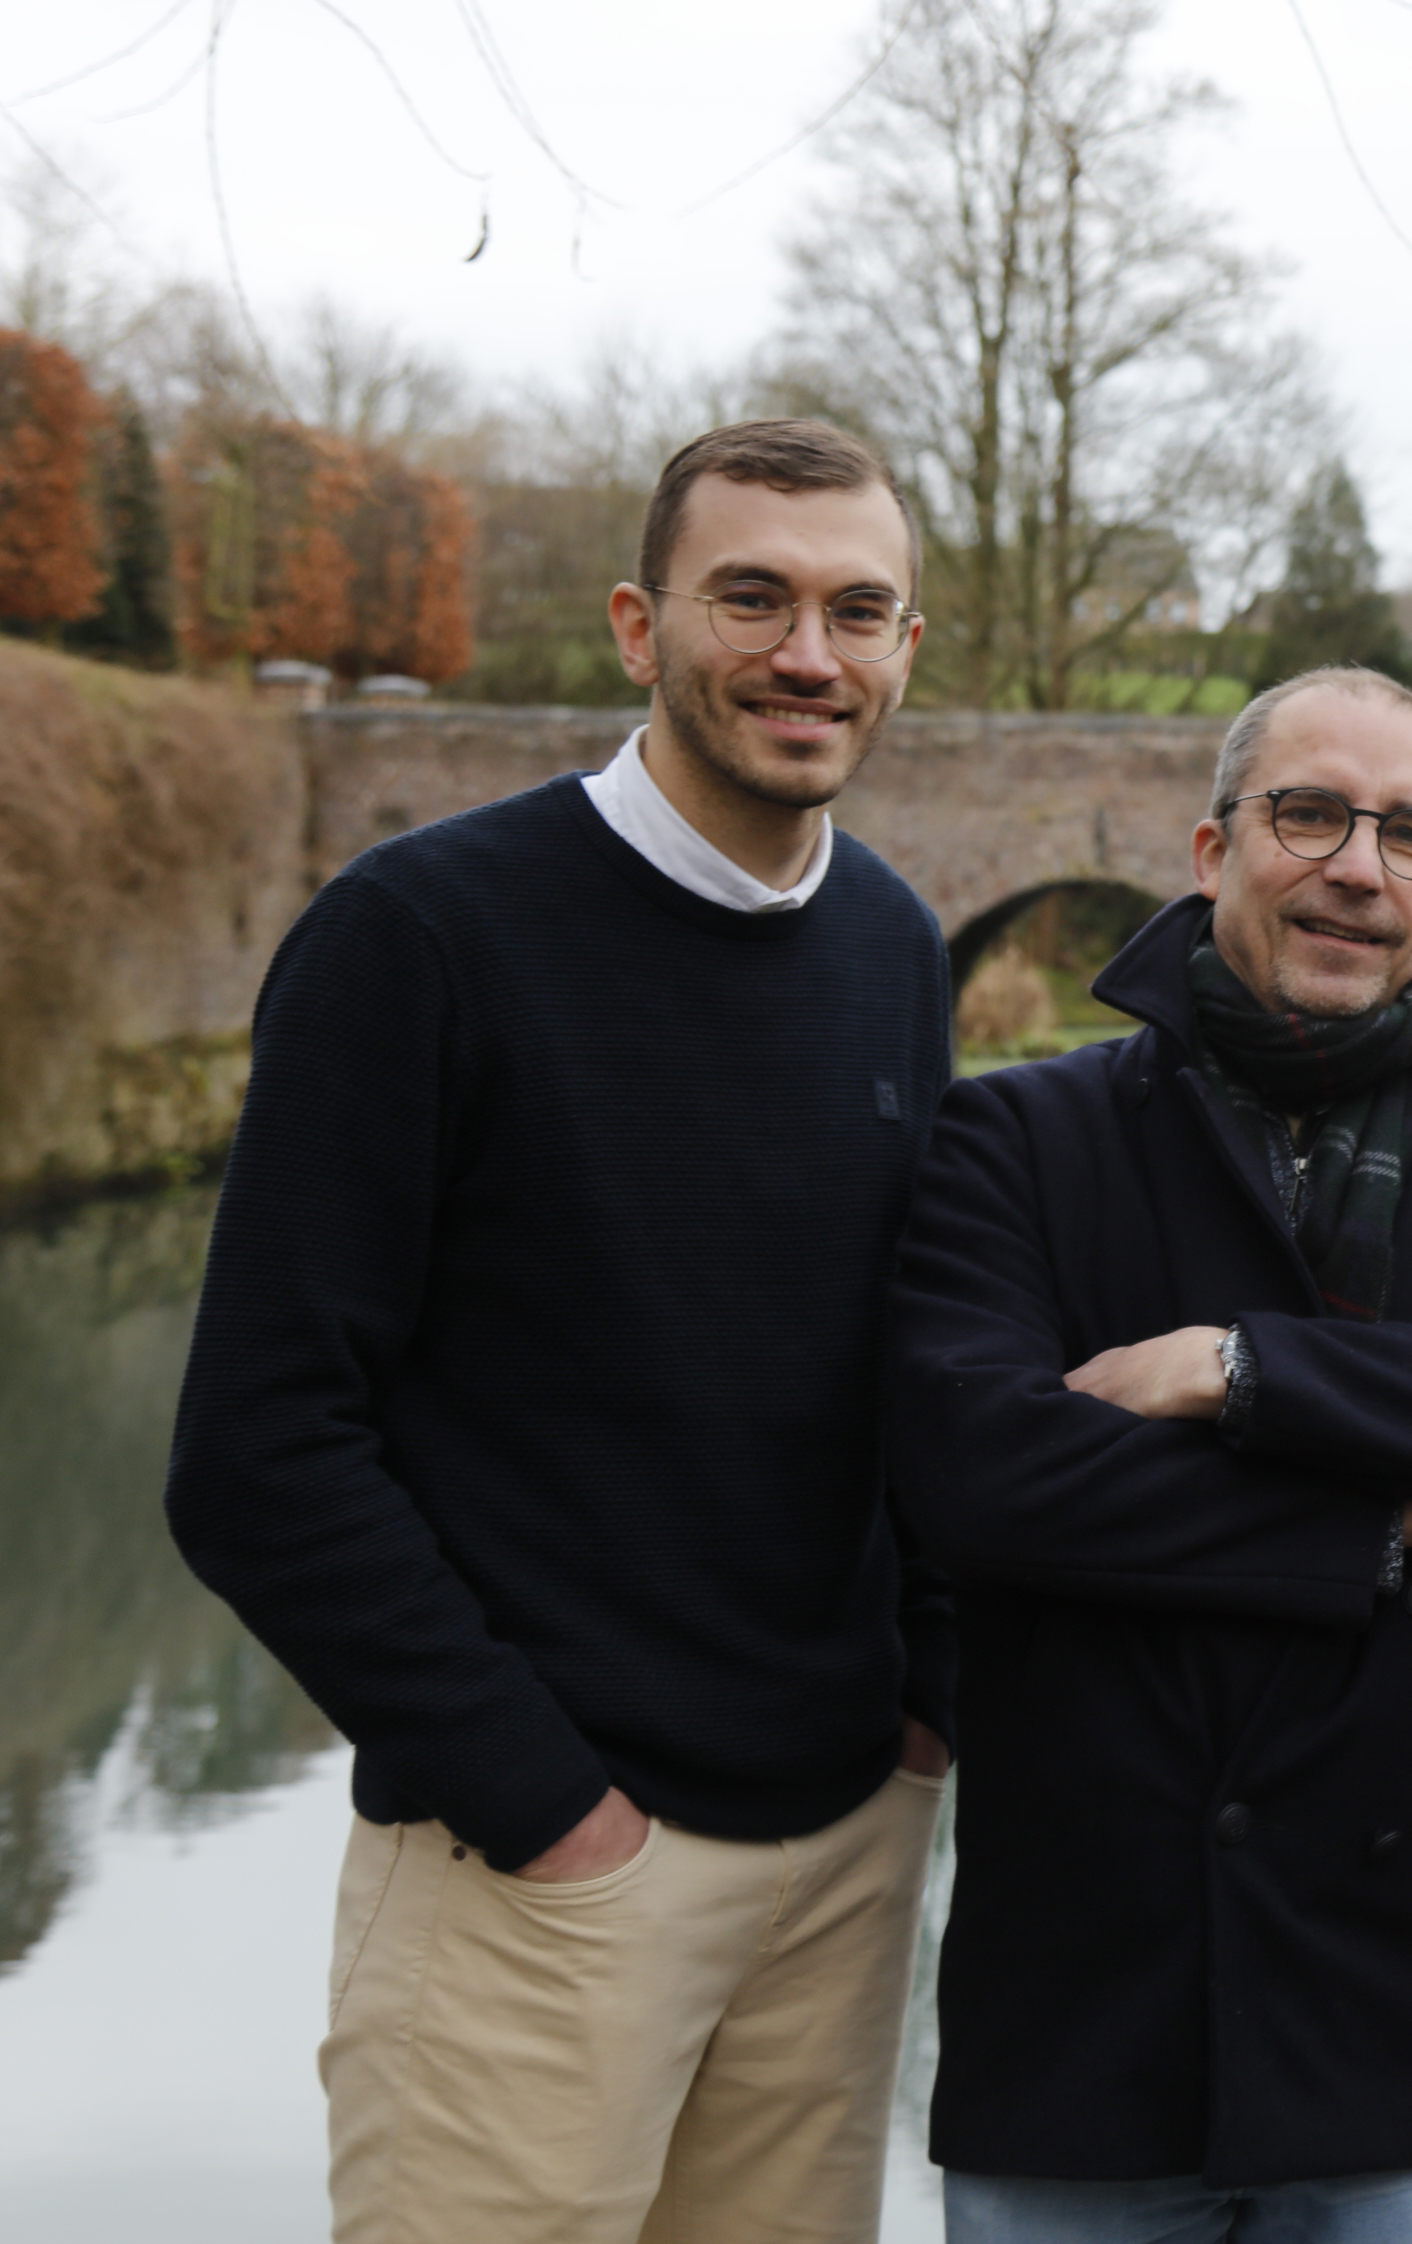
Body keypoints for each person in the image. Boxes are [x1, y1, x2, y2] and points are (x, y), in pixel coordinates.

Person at [163, 419, 956, 2244]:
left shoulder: (894, 947)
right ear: (635, 624)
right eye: (749, 596)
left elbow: (896, 1370)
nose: (807, 655)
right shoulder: (421, 939)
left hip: (838, 1858)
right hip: (539, 1876)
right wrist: (545, 1806)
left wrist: (924, 1703)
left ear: (910, 647)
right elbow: (259, 1453)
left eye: (859, 609)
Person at [882, 664, 1412, 2243]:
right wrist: (1397, 1509)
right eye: (1308, 815)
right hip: (1081, 2021)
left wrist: (1227, 1371)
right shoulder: (1022, 1140)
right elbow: (983, 1477)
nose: (1357, 868)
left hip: (1380, 2011)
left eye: (1407, 834)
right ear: (1209, 849)